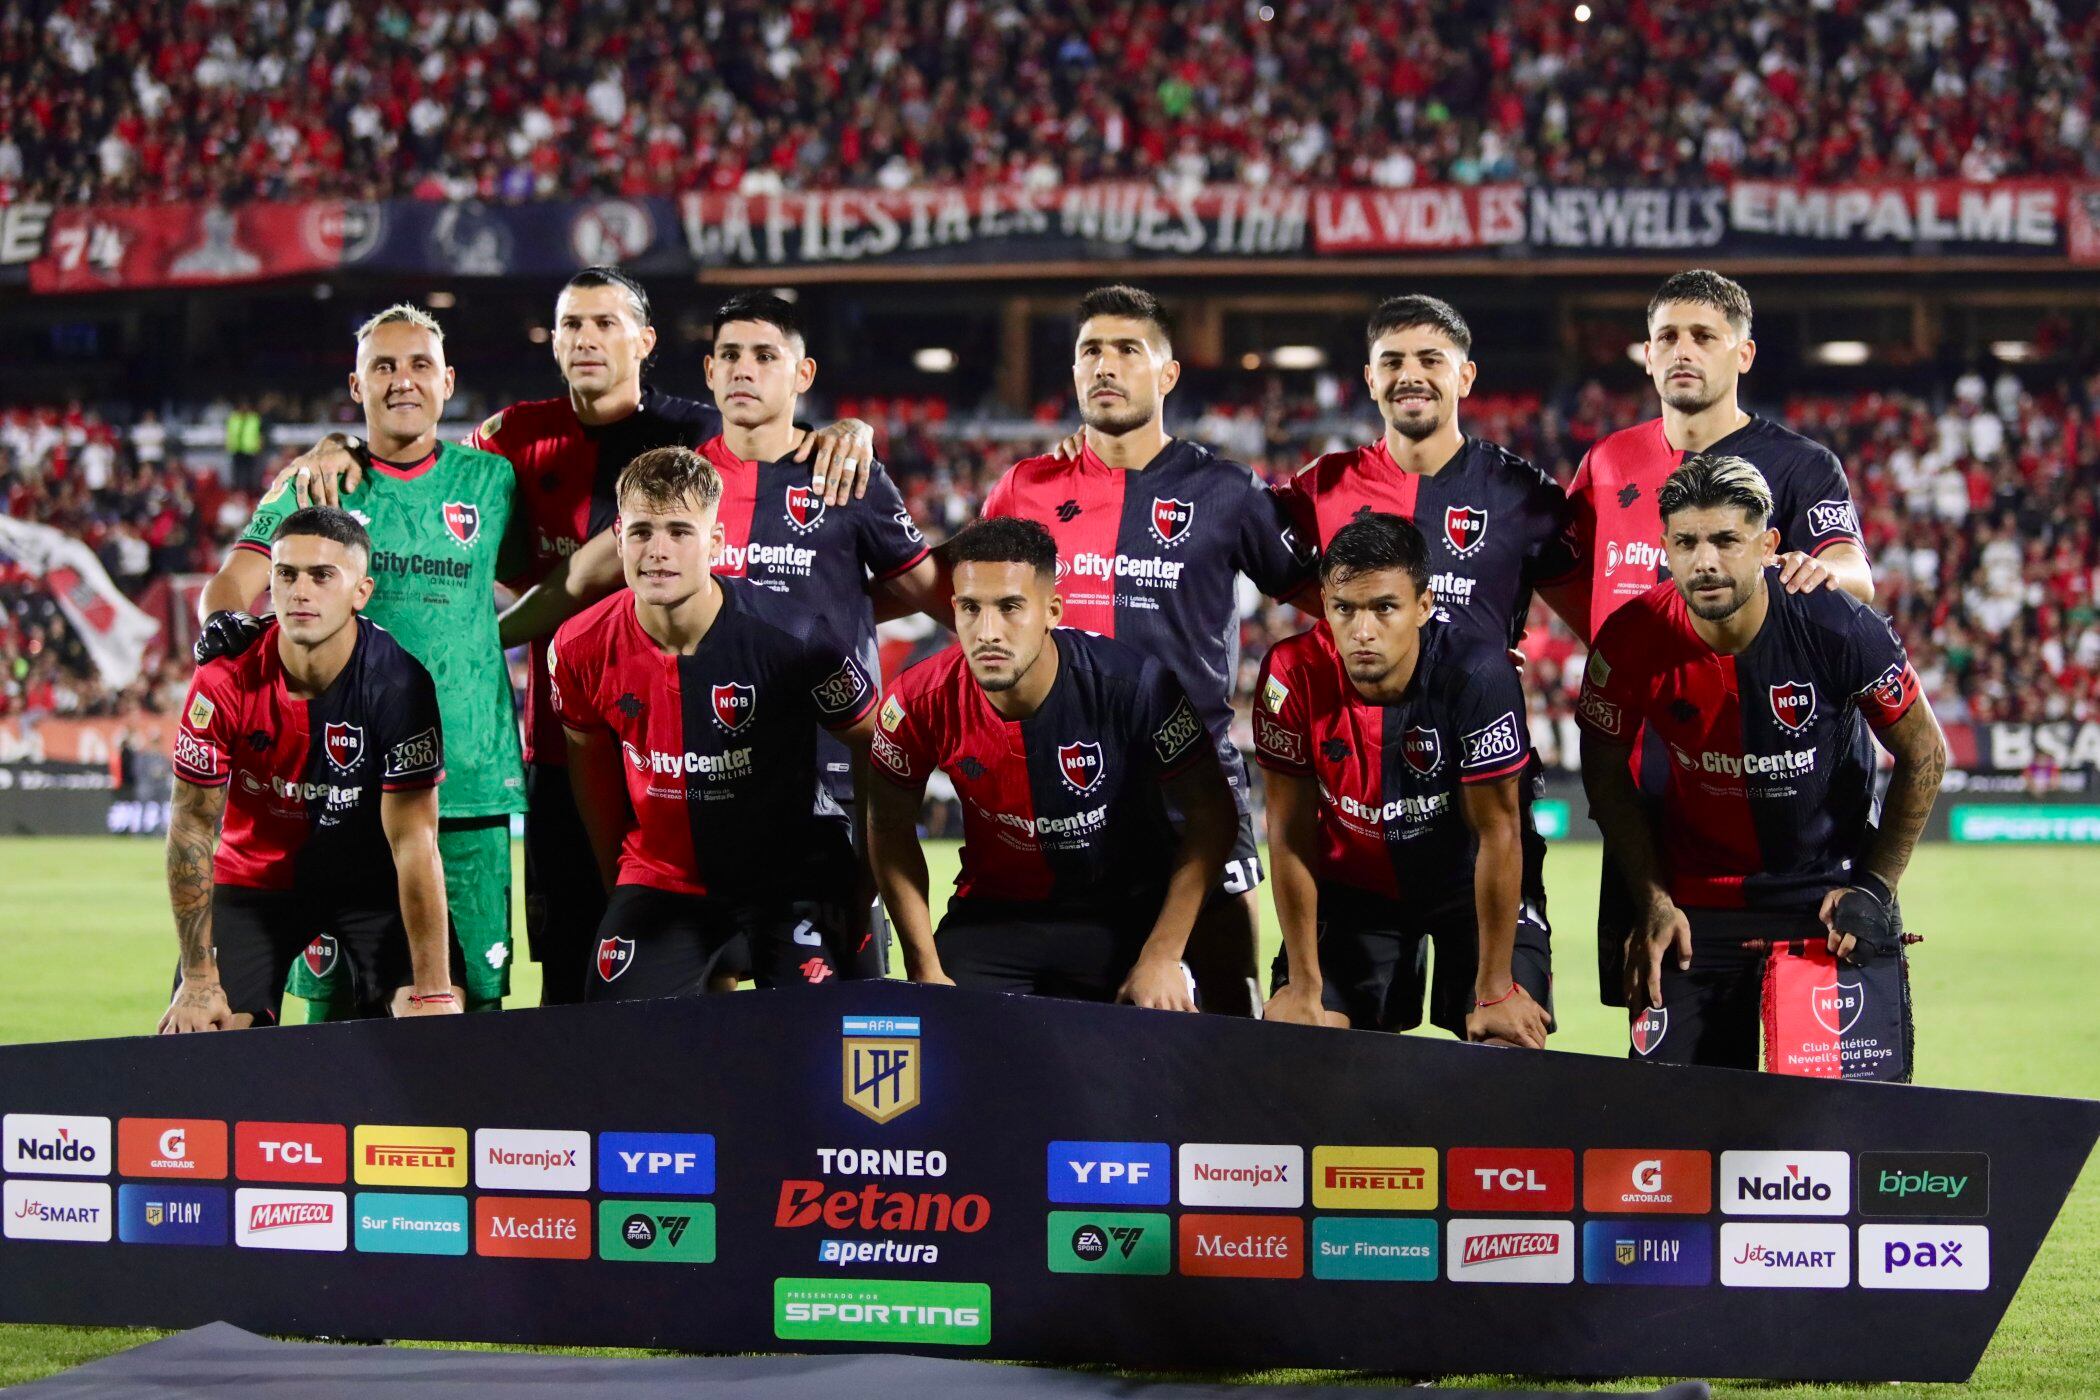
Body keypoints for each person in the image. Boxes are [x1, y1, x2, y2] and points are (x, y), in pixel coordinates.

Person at [276, 268, 877, 1005]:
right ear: (553, 342)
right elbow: (418, 462)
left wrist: (846, 430)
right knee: (577, 967)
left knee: (721, 957)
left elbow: (776, 434)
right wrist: (342, 442)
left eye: (605, 323)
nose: (587, 339)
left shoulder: (697, 431)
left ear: (645, 341)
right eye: (572, 325)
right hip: (566, 742)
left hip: (693, 744)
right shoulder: (510, 438)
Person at [531, 290, 943, 982]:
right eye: (730, 356)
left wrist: (840, 613)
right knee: (702, 984)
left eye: (764, 356)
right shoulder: (683, 479)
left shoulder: (844, 471)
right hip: (704, 772)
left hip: (832, 779)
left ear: (801, 373)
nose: (745, 370)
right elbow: (583, 578)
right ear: (709, 371)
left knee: (842, 1001)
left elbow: (929, 590)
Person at [980, 285, 1312, 1015]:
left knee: (1230, 1016)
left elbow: (1331, 601)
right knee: (1068, 1024)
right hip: (1056, 783)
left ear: (1166, 375)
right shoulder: (1023, 489)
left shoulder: (1227, 491)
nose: (1105, 365)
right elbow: (970, 612)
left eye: (1128, 349)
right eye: (1090, 351)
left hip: (1188, 787)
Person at [1553, 269, 1880, 1006]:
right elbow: (1561, 572)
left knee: (1813, 1060)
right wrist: (1619, 649)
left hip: (1785, 789)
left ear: (1743, 353)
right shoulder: (1606, 464)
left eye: (1704, 336)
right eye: (1667, 336)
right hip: (1650, 793)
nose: (1682, 351)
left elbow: (1852, 570)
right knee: (1667, 1045)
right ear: (1645, 354)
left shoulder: (1800, 465)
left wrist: (1808, 569)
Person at [193, 304, 523, 1016]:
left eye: (419, 366)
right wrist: (222, 626)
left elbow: (565, 567)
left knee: (464, 1009)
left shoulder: (493, 483)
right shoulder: (314, 483)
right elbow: (231, 585)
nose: (402, 381)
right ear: (355, 384)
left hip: (466, 786)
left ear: (448, 382)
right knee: (333, 1023)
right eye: (383, 366)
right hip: (340, 801)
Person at [1576, 454, 1946, 1069]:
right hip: (1692, 916)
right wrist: (1651, 898)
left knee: (1841, 1139)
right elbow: (1605, 774)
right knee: (1675, 1141)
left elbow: (1926, 752)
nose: (1707, 561)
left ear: (1769, 544)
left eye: (1727, 539)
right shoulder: (1629, 637)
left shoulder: (1835, 625)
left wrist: (1875, 887)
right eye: (1687, 542)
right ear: (1663, 546)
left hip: (1826, 907)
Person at [1273, 293, 1576, 1029]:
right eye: (1393, 362)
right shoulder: (1317, 490)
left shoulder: (1525, 496)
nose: (1412, 375)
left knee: (1505, 1036)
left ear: (1466, 377)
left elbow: (1607, 617)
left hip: (1476, 803)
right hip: (1355, 811)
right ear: (1369, 380)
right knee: (1309, 1051)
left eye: (1430, 360)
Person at [551, 447, 881, 1000]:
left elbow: (875, 745)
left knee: (834, 1054)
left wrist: (866, 881)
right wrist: (620, 887)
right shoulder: (578, 646)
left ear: (717, 544)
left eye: (680, 531)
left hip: (792, 878)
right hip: (661, 880)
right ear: (618, 537)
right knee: (614, 1050)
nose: (657, 551)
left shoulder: (796, 635)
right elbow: (591, 770)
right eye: (641, 532)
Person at [865, 517, 1237, 1008]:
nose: (988, 631)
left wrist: (1163, 956)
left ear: (1052, 610)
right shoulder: (916, 700)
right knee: (940, 1043)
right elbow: (887, 826)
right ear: (953, 609)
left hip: (1122, 917)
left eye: (1010, 607)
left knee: (1155, 1047)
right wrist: (924, 966)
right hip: (994, 918)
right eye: (971, 609)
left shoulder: (1135, 685)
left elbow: (1214, 814)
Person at [1254, 514, 1551, 1047]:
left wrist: (1495, 987)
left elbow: (1498, 834)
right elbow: (1289, 833)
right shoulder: (1289, 673)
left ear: (1424, 605)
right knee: (1299, 1042)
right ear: (1324, 603)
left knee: (1506, 1049)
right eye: (1344, 609)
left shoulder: (1478, 675)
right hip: (1355, 889)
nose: (1362, 631)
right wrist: (1302, 982)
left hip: (1468, 886)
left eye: (1384, 608)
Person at [161, 507, 462, 1031]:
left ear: (360, 592)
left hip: (371, 882)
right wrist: (199, 977)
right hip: (254, 880)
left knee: (430, 1027)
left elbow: (415, 841)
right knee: (202, 1033)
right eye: (286, 574)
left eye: (323, 576)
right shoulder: (223, 678)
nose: (301, 591)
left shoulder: (399, 684)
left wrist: (434, 992)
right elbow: (189, 827)